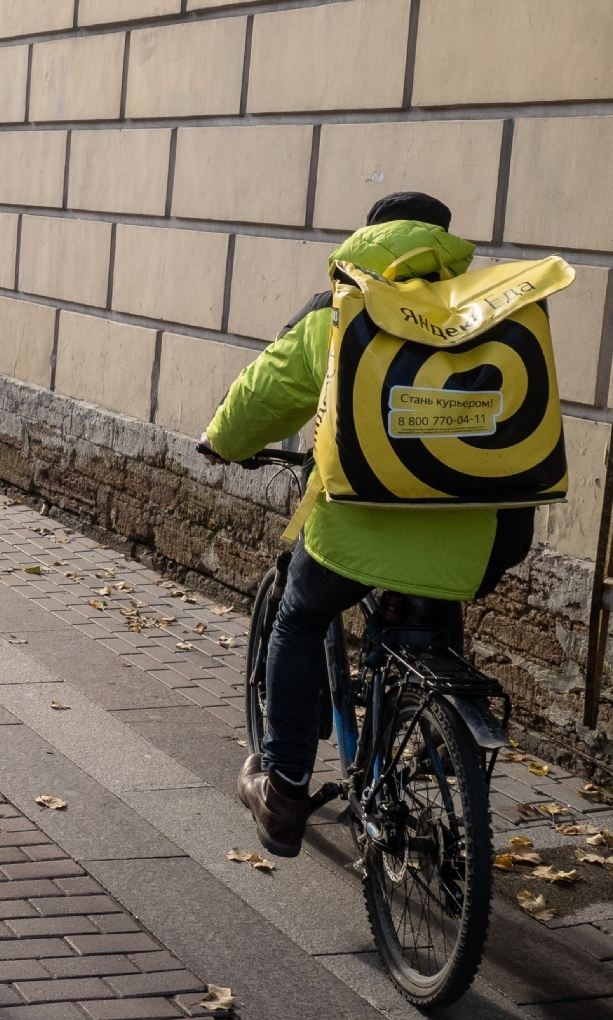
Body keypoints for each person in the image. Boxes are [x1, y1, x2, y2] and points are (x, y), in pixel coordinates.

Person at [198, 192, 534, 858]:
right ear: (442, 243)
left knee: (297, 613)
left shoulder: (343, 304)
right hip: (477, 532)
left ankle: (286, 789)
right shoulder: (484, 308)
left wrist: (220, 439)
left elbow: (266, 390)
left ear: (372, 237)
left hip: (356, 529)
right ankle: (434, 737)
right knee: (433, 577)